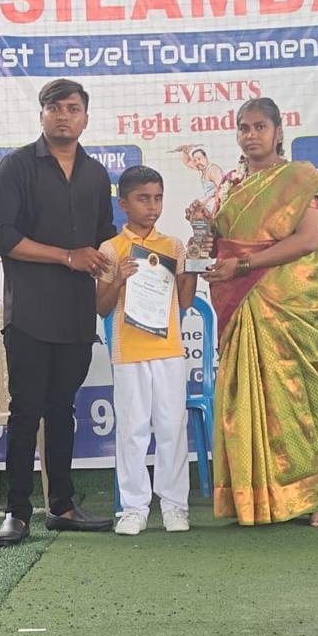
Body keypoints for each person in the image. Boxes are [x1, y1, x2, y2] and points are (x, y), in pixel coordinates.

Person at [0, 79, 117, 546]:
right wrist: (67, 257)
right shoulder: (17, 166)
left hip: (77, 315)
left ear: (86, 118)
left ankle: (62, 506)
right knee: (26, 413)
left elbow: (104, 240)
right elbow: (0, 235)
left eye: (73, 108)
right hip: (29, 314)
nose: (64, 115)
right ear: (41, 114)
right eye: (54, 107)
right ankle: (16, 512)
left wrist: (138, 263)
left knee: (63, 411)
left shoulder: (96, 175)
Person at [195, 97, 318, 528]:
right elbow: (220, 247)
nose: (251, 135)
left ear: (278, 132)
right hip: (242, 304)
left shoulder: (300, 179)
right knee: (243, 398)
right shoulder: (230, 188)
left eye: (259, 127)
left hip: (290, 303)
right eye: (244, 127)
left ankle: (311, 498)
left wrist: (243, 264)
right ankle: (252, 500)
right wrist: (205, 230)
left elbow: (307, 240)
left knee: (297, 397)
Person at [95, 165, 197, 535]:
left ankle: (174, 506)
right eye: (143, 199)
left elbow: (185, 301)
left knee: (172, 427)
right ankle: (134, 508)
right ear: (124, 203)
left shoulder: (174, 246)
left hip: (168, 351)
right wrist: (119, 280)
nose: (152, 207)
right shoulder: (111, 249)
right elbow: (101, 307)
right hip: (129, 354)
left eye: (158, 198)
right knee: (132, 430)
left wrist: (193, 267)